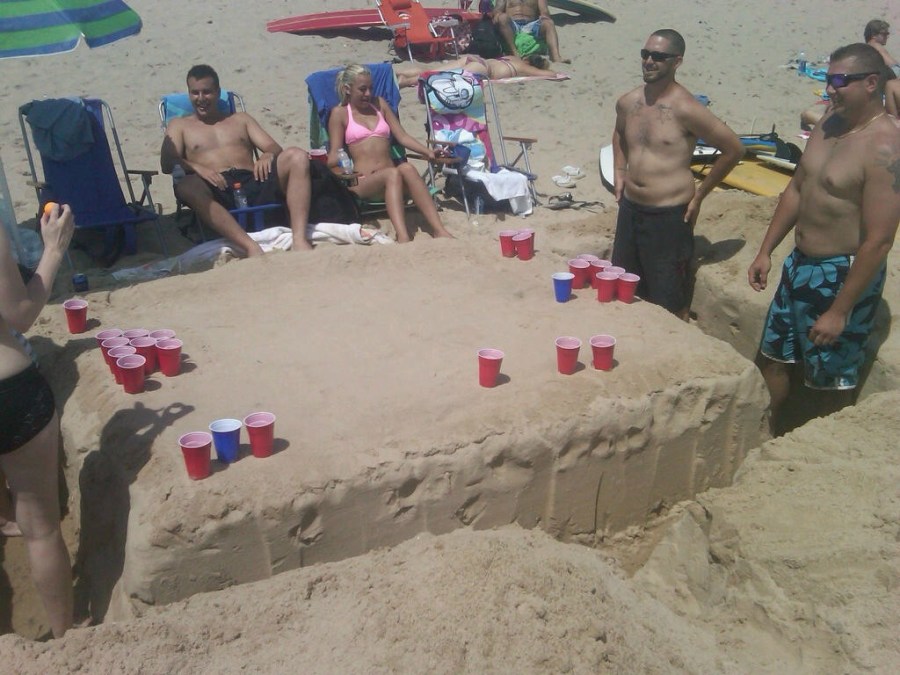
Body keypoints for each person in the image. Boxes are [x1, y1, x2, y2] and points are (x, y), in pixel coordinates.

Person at [748, 43, 900, 436]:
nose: (829, 89)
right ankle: (768, 436)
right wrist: (767, 250)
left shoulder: (887, 147)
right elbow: (798, 187)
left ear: (871, 83)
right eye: (828, 79)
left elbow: (879, 241)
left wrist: (840, 310)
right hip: (799, 263)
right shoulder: (830, 121)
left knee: (827, 379)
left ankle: (816, 447)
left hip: (839, 273)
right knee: (774, 358)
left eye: (837, 81)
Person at [611, 29, 744, 320]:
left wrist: (700, 195)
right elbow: (619, 134)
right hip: (631, 208)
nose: (648, 61)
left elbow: (733, 149)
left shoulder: (687, 109)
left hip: (669, 216)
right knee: (624, 284)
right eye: (645, 54)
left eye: (658, 56)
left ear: (677, 62)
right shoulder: (628, 102)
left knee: (669, 298)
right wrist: (619, 171)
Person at [0, 203, 75, 638]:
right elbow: (20, 314)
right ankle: (66, 641)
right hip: (10, 390)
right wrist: (54, 249)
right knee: (42, 530)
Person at [160, 64, 314, 256]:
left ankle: (299, 238)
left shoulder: (241, 119)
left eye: (206, 92)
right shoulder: (180, 125)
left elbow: (274, 147)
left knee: (297, 156)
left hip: (254, 181)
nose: (200, 99)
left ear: (217, 92)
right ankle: (250, 246)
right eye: (195, 93)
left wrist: (267, 154)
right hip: (215, 188)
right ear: (189, 93)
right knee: (185, 186)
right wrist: (197, 167)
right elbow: (167, 162)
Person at [328, 64, 453, 243]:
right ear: (348, 89)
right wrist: (345, 174)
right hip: (364, 183)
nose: (368, 94)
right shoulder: (340, 114)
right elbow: (333, 157)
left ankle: (440, 230)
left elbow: (402, 136)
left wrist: (429, 152)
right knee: (392, 173)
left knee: (407, 168)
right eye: (362, 89)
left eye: (371, 88)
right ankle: (403, 236)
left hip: (392, 181)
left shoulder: (380, 105)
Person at [395, 53, 558, 88]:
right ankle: (406, 82)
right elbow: (551, 75)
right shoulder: (524, 66)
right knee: (437, 76)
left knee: (431, 70)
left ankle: (399, 73)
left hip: (475, 58)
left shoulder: (512, 57)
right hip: (482, 67)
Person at [493, 0, 569, 64]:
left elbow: (544, 12)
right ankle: (515, 53)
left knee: (549, 23)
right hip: (512, 22)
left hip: (531, 23)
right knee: (502, 18)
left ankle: (556, 57)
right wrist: (497, 15)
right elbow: (497, 11)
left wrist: (544, 16)